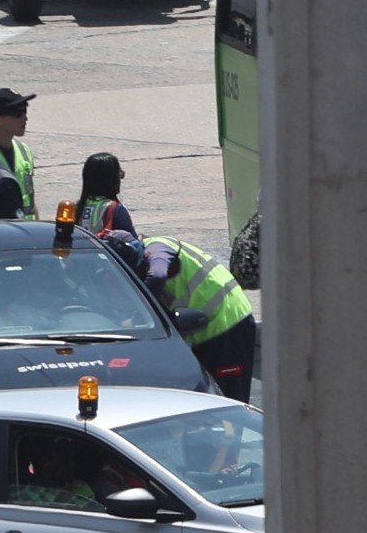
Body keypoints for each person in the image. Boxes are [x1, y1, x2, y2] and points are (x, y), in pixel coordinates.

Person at [108, 230, 257, 401]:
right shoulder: (138, 266)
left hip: (228, 320)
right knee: (204, 399)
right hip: (202, 329)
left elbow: (158, 275)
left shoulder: (158, 247)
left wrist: (141, 306)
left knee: (229, 400)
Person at [0, 87, 37, 218]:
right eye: (18, 113)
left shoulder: (24, 151)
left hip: (27, 231)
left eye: (25, 111)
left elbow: (30, 199)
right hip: (0, 233)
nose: (25, 118)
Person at [76, 152, 137, 238]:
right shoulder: (116, 209)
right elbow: (132, 243)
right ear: (111, 179)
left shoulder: (77, 207)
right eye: (119, 174)